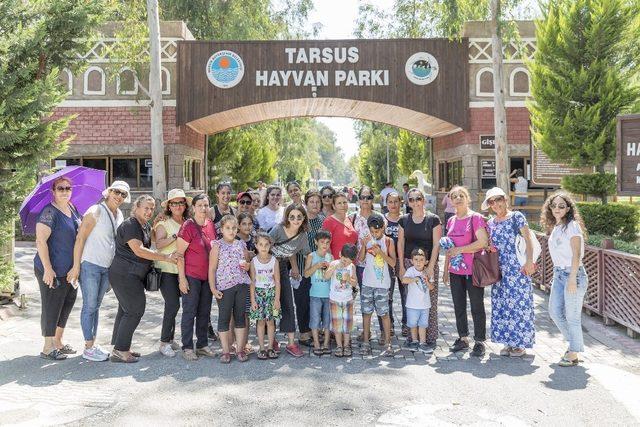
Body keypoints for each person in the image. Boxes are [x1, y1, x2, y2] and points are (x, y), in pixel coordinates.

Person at [109, 195, 177, 363]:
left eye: (152, 208)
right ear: (136, 207)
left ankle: (119, 346)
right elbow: (139, 250)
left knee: (125, 310)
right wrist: (166, 257)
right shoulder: (131, 225)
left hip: (131, 275)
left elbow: (154, 238)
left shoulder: (144, 225)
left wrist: (160, 219)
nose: (149, 211)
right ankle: (120, 350)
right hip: (125, 274)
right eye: (146, 208)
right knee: (135, 310)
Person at [68, 180, 128, 362]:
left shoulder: (119, 215)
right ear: (108, 192)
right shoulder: (95, 211)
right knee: (89, 306)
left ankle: (92, 344)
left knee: (96, 306)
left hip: (106, 267)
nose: (119, 196)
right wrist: (76, 267)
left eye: (123, 194)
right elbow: (80, 239)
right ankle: (88, 347)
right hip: (91, 265)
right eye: (116, 192)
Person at [484, 187, 536, 357]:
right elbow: (491, 244)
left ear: (505, 200)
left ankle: (519, 343)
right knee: (502, 305)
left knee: (519, 305)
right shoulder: (491, 223)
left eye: (498, 199)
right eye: (492, 201)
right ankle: (508, 341)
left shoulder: (517, 217)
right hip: (499, 271)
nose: (496, 204)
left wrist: (529, 261)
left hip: (517, 269)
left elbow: (528, 240)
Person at [34, 176, 82, 360]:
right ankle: (47, 346)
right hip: (51, 269)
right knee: (51, 305)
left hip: (70, 270)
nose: (64, 191)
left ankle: (58, 342)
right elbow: (40, 241)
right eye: (60, 188)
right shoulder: (49, 212)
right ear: (53, 191)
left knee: (66, 304)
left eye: (68, 188)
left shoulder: (73, 208)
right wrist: (47, 268)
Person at [542, 192, 588, 367]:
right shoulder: (557, 227)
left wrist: (572, 278)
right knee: (554, 312)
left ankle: (573, 352)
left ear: (568, 208)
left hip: (573, 274)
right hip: (559, 273)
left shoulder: (572, 226)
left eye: (561, 206)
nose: (557, 209)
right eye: (554, 206)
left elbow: (576, 253)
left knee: (572, 317)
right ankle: (574, 346)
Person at [442, 186, 489, 358]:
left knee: (476, 305)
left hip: (473, 269)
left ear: (467, 198)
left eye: (461, 195)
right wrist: (446, 269)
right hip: (455, 271)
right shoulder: (451, 220)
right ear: (451, 201)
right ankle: (463, 338)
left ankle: (479, 341)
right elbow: (449, 246)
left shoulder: (475, 218)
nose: (458, 198)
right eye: (454, 196)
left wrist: (460, 250)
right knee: (458, 305)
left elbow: (483, 242)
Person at [397, 188, 441, 348]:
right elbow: (400, 243)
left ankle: (429, 337)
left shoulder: (433, 219)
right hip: (409, 263)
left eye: (418, 199)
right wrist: (401, 265)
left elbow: (437, 244)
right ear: (408, 202)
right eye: (411, 199)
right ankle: (412, 337)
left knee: (430, 300)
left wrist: (430, 267)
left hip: (428, 264)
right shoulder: (404, 220)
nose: (415, 202)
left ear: (423, 200)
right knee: (409, 300)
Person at [175, 193, 217, 361]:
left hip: (207, 277)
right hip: (191, 276)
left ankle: (202, 345)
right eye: (199, 205)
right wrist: (182, 279)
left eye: (206, 205)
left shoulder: (211, 225)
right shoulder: (188, 226)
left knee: (204, 312)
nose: (203, 208)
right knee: (189, 311)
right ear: (193, 208)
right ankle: (186, 347)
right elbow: (179, 254)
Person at [269, 203, 311, 357]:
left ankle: (291, 343)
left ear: (303, 218)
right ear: (287, 217)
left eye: (299, 217)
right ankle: (272, 340)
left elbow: (303, 253)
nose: (295, 220)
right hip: (268, 267)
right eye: (292, 216)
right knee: (271, 303)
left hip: (282, 267)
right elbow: (264, 247)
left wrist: (302, 268)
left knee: (288, 303)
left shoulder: (302, 236)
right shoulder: (278, 230)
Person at [209, 215, 251, 364]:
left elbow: (247, 263)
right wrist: (213, 288)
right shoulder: (217, 246)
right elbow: (212, 269)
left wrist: (247, 266)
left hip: (241, 285)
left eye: (234, 228)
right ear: (221, 230)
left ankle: (239, 349)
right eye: (228, 228)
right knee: (224, 318)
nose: (231, 231)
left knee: (240, 317)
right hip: (224, 287)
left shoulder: (241, 245)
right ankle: (226, 351)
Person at [154, 189, 191, 358]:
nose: (177, 206)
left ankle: (170, 338)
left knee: (180, 306)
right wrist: (176, 236)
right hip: (167, 270)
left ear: (185, 205)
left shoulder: (189, 222)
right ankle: (163, 342)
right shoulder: (163, 223)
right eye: (174, 203)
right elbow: (159, 244)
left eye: (180, 203)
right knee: (172, 305)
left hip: (183, 270)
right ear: (169, 206)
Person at [358, 213, 396, 357]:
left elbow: (393, 263)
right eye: (372, 231)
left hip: (382, 284)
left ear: (383, 228)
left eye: (378, 231)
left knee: (384, 314)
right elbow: (360, 259)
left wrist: (380, 252)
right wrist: (363, 245)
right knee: (366, 313)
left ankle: (387, 343)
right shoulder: (367, 240)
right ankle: (366, 342)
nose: (375, 234)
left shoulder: (388, 241)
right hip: (367, 283)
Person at [293, 190, 325, 347]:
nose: (315, 204)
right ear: (306, 203)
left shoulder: (323, 220)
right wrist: (294, 268)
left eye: (317, 202)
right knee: (302, 301)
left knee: (316, 301)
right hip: (301, 268)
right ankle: (304, 334)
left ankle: (316, 330)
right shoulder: (300, 221)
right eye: (312, 201)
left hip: (318, 269)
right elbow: (291, 247)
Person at [249, 232, 281, 360]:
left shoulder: (274, 261)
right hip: (259, 294)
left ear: (270, 246)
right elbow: (252, 282)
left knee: (271, 322)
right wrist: (253, 300)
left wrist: (277, 299)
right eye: (260, 244)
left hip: (272, 294)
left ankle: (270, 347)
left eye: (266, 245)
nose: (263, 247)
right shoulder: (254, 261)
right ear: (256, 245)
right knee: (261, 322)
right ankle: (262, 348)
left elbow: (277, 281)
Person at [324, 243, 358, 357]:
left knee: (347, 324)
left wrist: (349, 279)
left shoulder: (351, 267)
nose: (345, 263)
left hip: (348, 300)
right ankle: (339, 346)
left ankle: (347, 345)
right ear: (340, 255)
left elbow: (355, 283)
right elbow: (326, 276)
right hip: (335, 299)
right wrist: (333, 267)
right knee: (337, 324)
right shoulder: (334, 263)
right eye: (343, 260)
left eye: (348, 261)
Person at [304, 229, 334, 356]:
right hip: (315, 294)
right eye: (322, 242)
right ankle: (316, 343)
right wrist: (316, 266)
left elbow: (333, 276)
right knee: (315, 320)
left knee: (327, 320)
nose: (325, 245)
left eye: (327, 242)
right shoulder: (311, 256)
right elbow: (306, 274)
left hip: (328, 295)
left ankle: (326, 343)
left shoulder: (331, 257)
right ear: (316, 242)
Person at [401, 248, 436, 354]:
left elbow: (431, 288)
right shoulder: (411, 270)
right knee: (412, 323)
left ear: (426, 261)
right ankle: (414, 341)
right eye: (416, 259)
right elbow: (404, 280)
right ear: (412, 261)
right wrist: (414, 279)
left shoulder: (428, 271)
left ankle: (422, 343)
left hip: (425, 305)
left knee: (423, 324)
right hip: (412, 304)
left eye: (421, 260)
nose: (418, 262)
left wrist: (427, 281)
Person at [383, 192, 402, 336]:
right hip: (387, 262)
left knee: (406, 294)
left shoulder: (406, 219)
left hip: (403, 261)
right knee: (387, 295)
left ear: (400, 203)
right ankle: (389, 326)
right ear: (386, 203)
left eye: (396, 201)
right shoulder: (383, 220)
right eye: (390, 201)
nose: (393, 205)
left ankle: (407, 324)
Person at [321, 192, 358, 261]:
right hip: (337, 265)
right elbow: (325, 246)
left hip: (351, 265)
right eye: (339, 203)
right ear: (334, 206)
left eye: (344, 202)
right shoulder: (329, 222)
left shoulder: (350, 219)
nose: (342, 205)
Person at [352, 186, 376, 291]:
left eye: (368, 197)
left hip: (377, 264)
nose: (365, 200)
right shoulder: (351, 218)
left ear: (372, 199)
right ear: (359, 199)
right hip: (360, 265)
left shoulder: (380, 218)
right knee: (364, 298)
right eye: (362, 197)